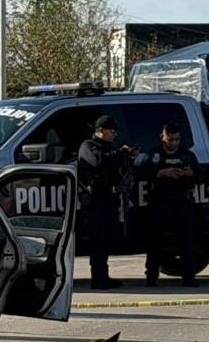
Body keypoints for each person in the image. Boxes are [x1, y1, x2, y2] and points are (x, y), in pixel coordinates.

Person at [77, 114, 137, 289]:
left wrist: (128, 156)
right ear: (100, 131)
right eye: (112, 130)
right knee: (98, 240)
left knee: (107, 240)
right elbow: (99, 161)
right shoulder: (88, 146)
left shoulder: (110, 148)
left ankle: (104, 276)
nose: (115, 134)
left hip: (110, 199)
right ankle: (98, 278)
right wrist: (121, 153)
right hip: (95, 200)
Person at [139, 123, 199, 288]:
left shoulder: (186, 155)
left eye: (177, 139)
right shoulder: (154, 154)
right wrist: (162, 173)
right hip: (159, 203)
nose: (173, 143)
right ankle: (151, 277)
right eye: (170, 139)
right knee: (154, 243)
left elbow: (200, 174)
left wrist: (190, 174)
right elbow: (143, 172)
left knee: (186, 241)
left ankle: (189, 277)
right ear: (162, 137)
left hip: (182, 203)